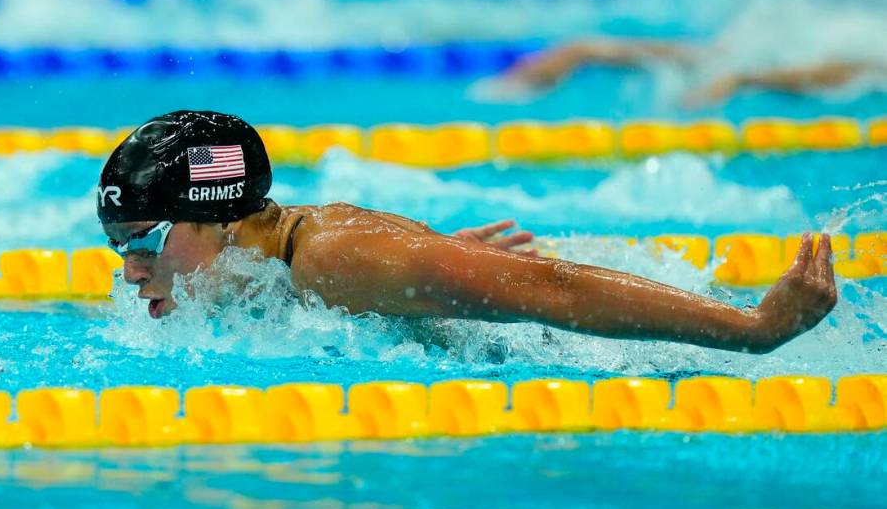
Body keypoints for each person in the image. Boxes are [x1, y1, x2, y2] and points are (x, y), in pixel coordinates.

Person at [98, 110, 838, 354]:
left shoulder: (332, 259)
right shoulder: (300, 245)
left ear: (219, 218)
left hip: (620, 351)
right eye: (118, 245)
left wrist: (753, 328)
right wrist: (443, 266)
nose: (130, 268)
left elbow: (553, 287)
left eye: (143, 239)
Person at [481, 37, 887, 107]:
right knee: (582, 49)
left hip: (746, 71)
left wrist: (745, 79)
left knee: (584, 49)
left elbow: (852, 70)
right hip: (742, 65)